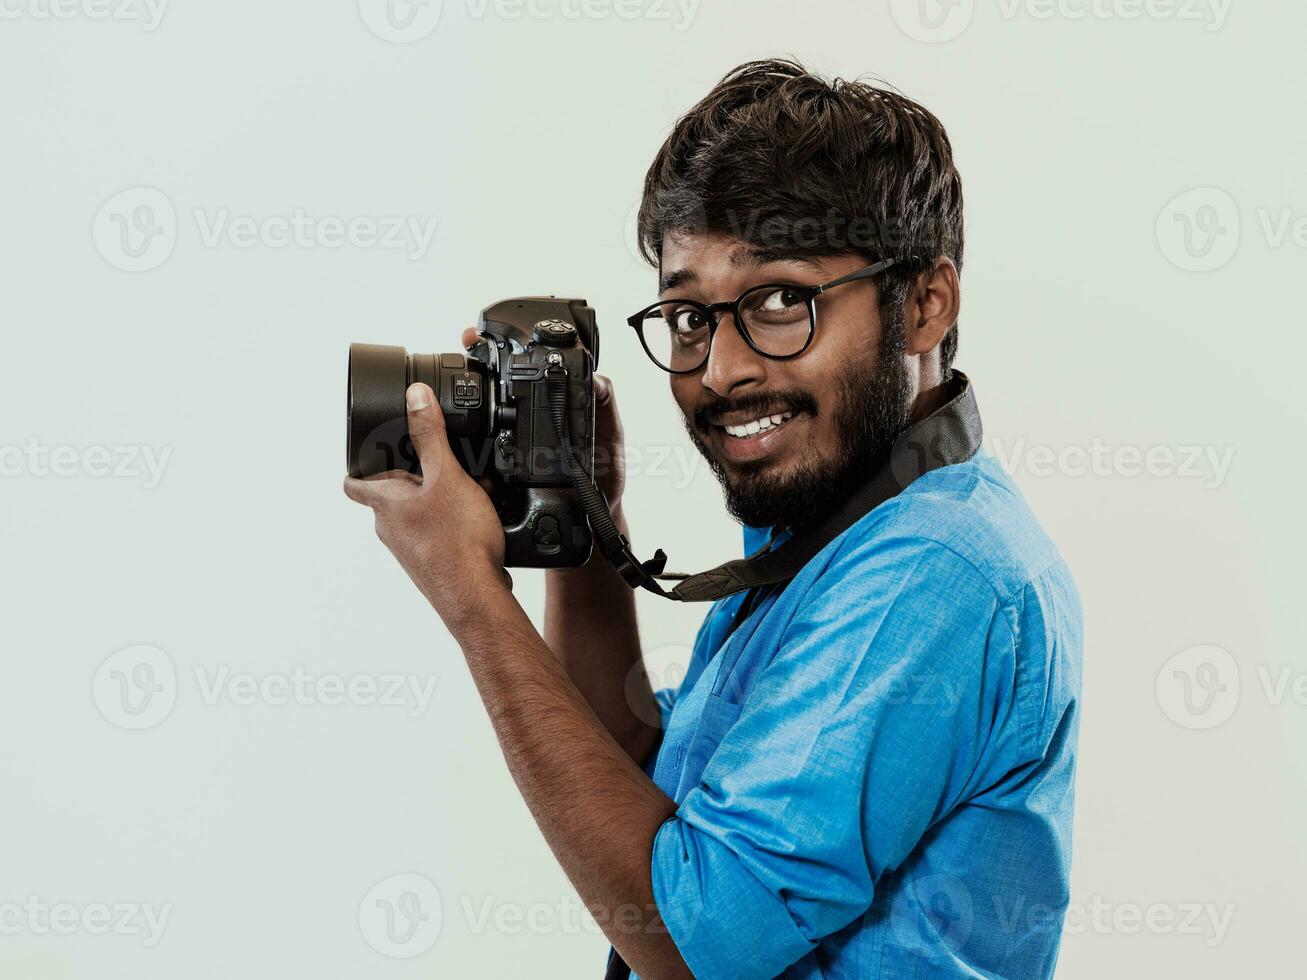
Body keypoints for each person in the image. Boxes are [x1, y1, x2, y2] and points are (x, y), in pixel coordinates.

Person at [344, 58, 1083, 979]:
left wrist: (470, 596)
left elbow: (696, 940)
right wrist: (583, 525)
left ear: (924, 304)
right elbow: (657, 804)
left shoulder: (931, 569)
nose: (721, 368)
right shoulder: (833, 529)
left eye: (780, 302)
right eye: (689, 315)